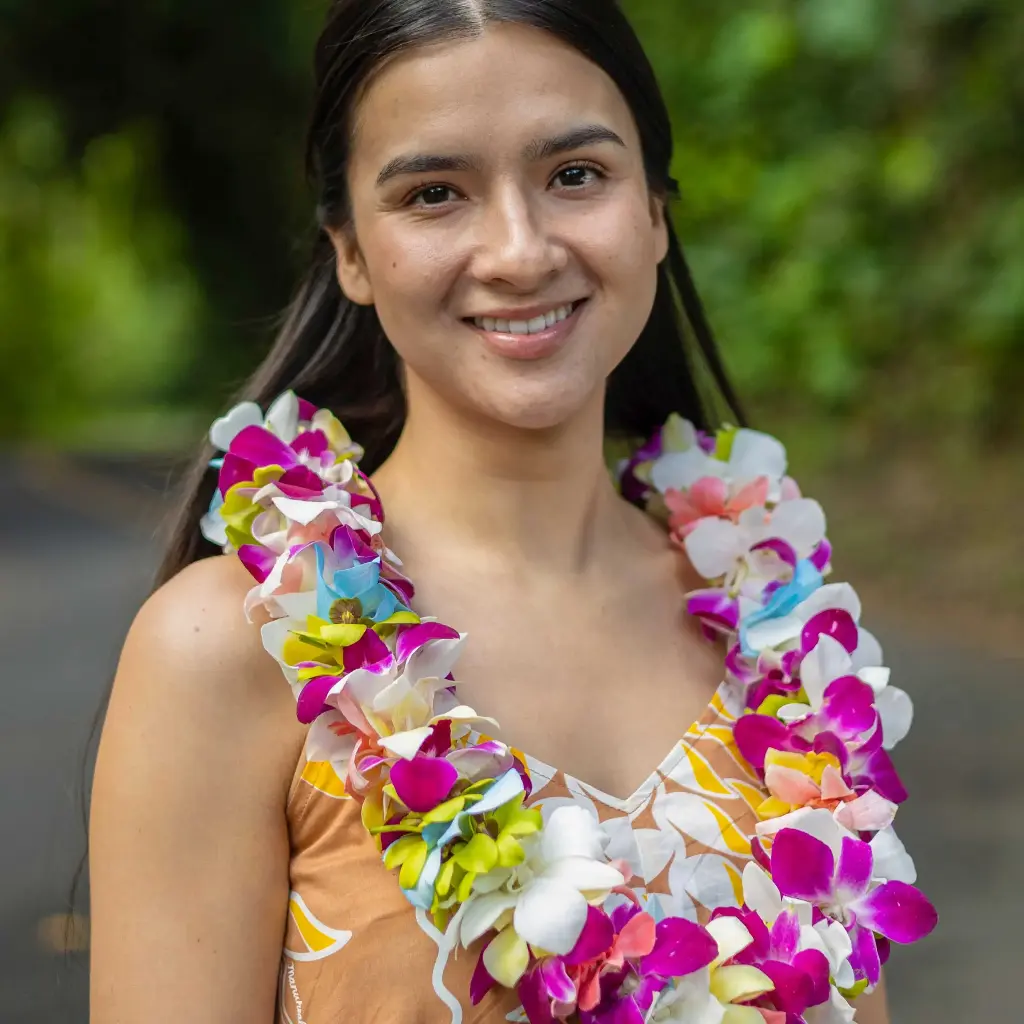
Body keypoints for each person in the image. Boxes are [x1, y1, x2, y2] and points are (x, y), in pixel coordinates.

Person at [89, 1, 931, 1021]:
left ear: (655, 213)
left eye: (575, 175)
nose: (520, 250)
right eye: (435, 193)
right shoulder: (226, 647)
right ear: (350, 251)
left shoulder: (779, 632)